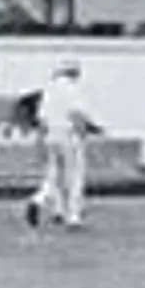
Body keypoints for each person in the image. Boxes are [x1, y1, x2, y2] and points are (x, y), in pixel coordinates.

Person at [26, 58, 99, 229]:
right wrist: (84, 134)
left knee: (53, 175)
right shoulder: (73, 89)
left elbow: (42, 119)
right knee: (74, 176)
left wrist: (41, 142)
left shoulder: (49, 91)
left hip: (51, 135)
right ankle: (73, 215)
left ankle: (39, 199)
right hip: (69, 134)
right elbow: (76, 114)